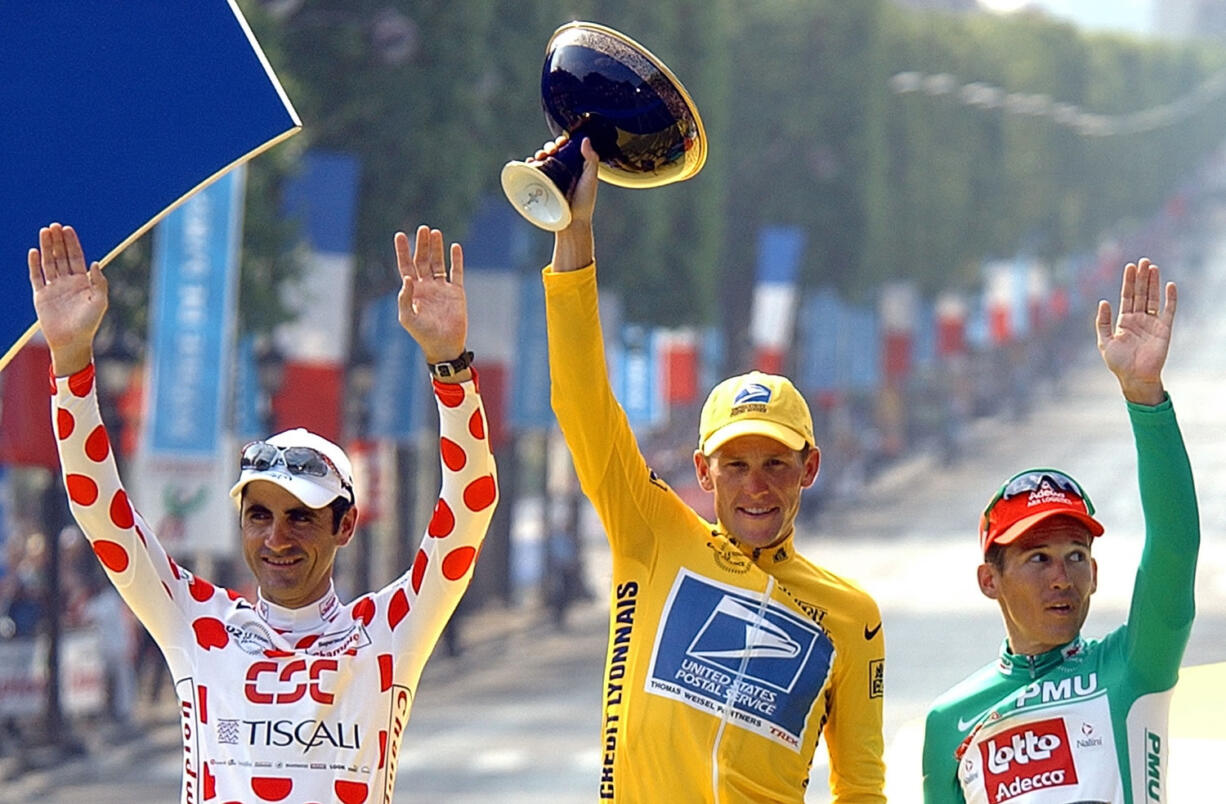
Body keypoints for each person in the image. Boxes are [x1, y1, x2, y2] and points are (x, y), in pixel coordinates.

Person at [29, 222, 498, 803]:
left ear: (344, 525)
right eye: (259, 516)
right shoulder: (197, 625)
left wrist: (451, 368)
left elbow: (470, 503)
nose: (277, 537)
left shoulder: (386, 634)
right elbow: (100, 510)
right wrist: (71, 361)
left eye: (301, 516)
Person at [541, 138, 885, 801]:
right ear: (703, 470)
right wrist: (574, 233)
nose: (756, 486)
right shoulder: (651, 534)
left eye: (775, 465)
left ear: (809, 468)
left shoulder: (852, 615)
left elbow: (862, 788)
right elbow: (582, 402)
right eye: (735, 465)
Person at [921, 258, 1198, 803]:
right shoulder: (948, 725)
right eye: (1037, 558)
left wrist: (1144, 396)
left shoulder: (1133, 666)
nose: (1061, 577)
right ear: (989, 579)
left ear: (1094, 574)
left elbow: (1174, 543)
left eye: (1075, 556)